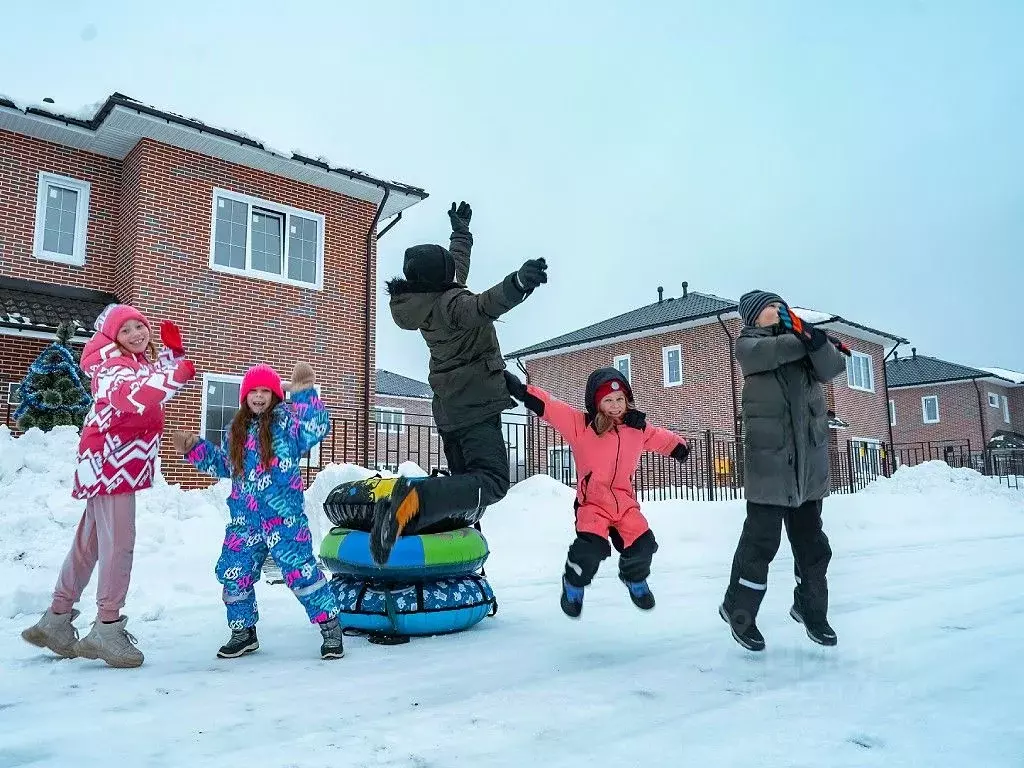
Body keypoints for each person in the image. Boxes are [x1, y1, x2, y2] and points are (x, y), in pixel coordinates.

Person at [370, 201, 548, 564]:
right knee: (493, 481)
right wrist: (517, 284)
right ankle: (415, 501)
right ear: (442, 280)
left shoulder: (427, 301)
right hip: (474, 406)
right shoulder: (454, 305)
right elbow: (485, 305)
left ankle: (452, 560)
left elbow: (457, 266)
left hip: (450, 408)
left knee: (466, 489)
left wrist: (461, 232)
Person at [21, 304, 196, 668]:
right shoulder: (111, 366)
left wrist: (173, 356)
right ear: (112, 336)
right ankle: (107, 626)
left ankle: (56, 618)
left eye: (140, 327)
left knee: (92, 541)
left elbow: (151, 381)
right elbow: (134, 396)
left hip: (111, 462)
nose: (137, 334)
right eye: (127, 329)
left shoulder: (130, 363)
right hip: (111, 461)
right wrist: (176, 374)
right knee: (120, 544)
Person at [172, 362, 344, 660]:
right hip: (245, 520)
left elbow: (316, 427)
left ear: (276, 395)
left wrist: (304, 394)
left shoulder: (288, 425)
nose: (259, 396)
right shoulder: (235, 430)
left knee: (300, 572)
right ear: (245, 395)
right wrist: (194, 448)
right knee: (233, 573)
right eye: (254, 390)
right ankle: (243, 632)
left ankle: (329, 627)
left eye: (266, 390)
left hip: (284, 518)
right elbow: (225, 465)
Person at [719, 291, 849, 651]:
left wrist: (815, 341)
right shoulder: (748, 345)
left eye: (780, 306)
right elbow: (776, 352)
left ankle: (811, 609)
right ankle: (739, 611)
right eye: (767, 309)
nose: (776, 312)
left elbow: (833, 367)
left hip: (808, 471)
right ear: (751, 318)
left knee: (814, 546)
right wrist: (813, 339)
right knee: (760, 545)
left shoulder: (802, 346)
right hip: (770, 468)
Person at [505, 368, 690, 618]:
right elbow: (551, 408)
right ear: (596, 402)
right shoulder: (582, 426)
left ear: (627, 400)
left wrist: (679, 447)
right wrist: (521, 391)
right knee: (591, 550)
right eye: (608, 400)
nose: (615, 406)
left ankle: (634, 579)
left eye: (619, 399)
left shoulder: (637, 428)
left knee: (644, 544)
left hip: (625, 504)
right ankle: (573, 583)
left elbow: (659, 437)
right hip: (592, 504)